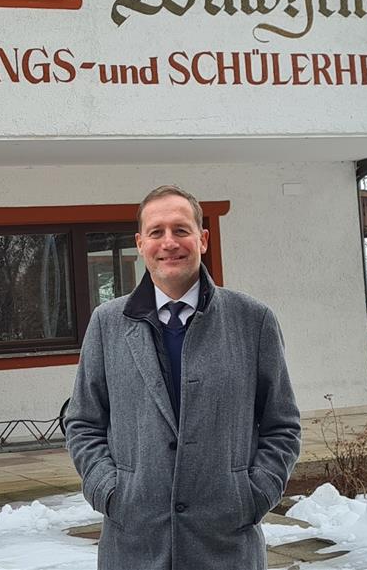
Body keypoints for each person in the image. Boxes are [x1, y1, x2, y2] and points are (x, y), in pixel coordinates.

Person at [65, 185, 301, 570]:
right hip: (135, 543)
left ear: (202, 239)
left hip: (225, 544)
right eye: (156, 232)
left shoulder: (252, 320)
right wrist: (108, 491)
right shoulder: (107, 323)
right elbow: (83, 423)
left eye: (181, 230)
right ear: (140, 244)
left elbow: (282, 424)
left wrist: (255, 493)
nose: (169, 243)